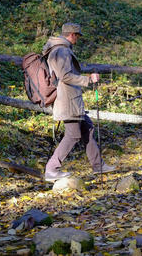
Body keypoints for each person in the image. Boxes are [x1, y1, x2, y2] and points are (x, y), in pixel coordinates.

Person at [43, 22, 116, 182]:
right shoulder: (61, 51)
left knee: (87, 128)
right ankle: (51, 169)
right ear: (72, 34)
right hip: (68, 101)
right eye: (77, 36)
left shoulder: (60, 49)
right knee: (73, 135)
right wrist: (88, 79)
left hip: (71, 100)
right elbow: (65, 76)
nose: (78, 39)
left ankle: (98, 165)